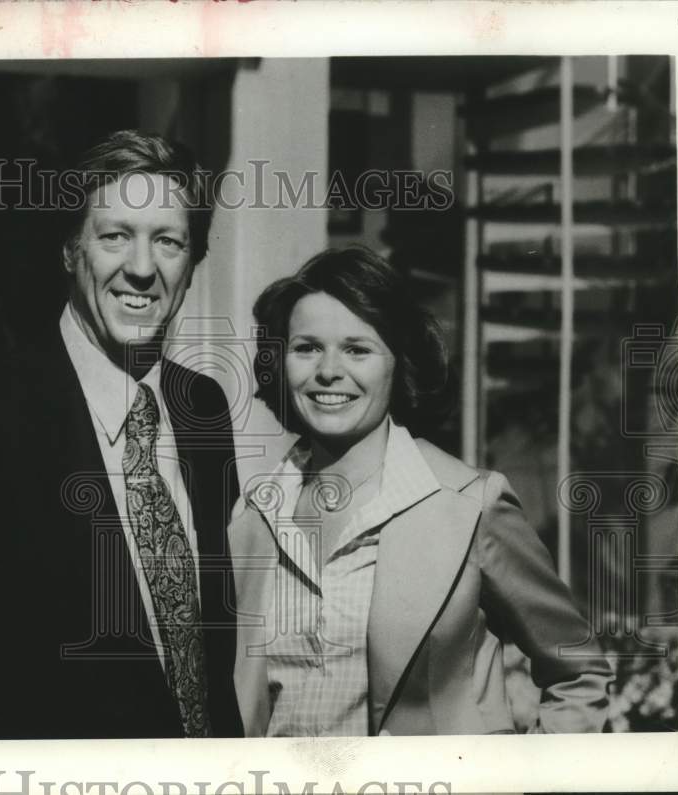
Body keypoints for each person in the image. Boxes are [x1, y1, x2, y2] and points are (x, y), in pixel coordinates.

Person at [0, 130, 244, 740]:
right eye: (114, 236)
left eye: (168, 240)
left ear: (192, 262)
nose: (141, 269)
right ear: (69, 248)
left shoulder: (203, 411)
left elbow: (211, 666)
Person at [230, 246, 612, 736]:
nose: (328, 370)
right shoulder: (254, 516)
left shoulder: (472, 505)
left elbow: (579, 673)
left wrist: (523, 779)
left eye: (357, 349)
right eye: (307, 347)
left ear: (398, 364)